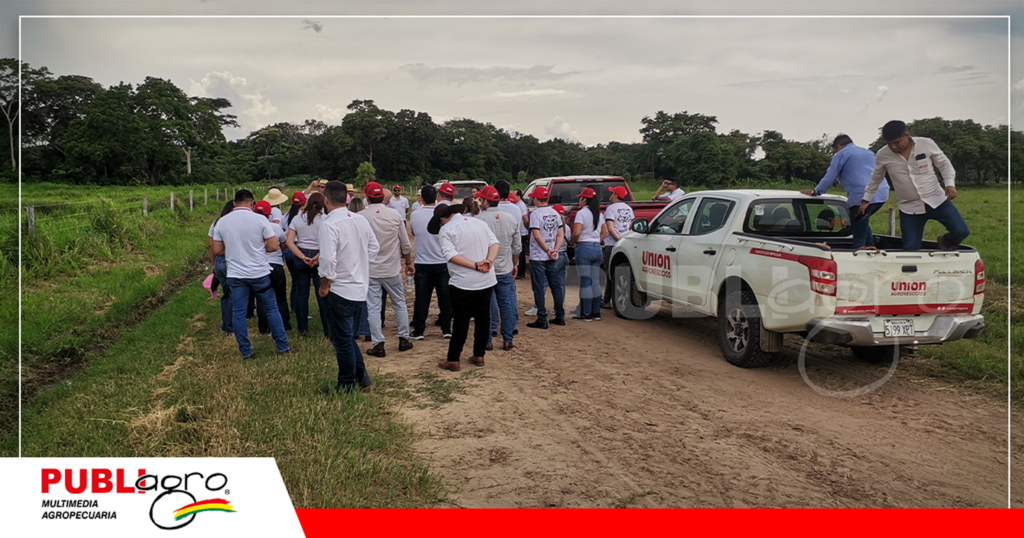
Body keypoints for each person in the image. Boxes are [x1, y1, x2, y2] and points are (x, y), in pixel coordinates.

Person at [211, 190, 296, 359]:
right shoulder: (260, 220)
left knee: (239, 312)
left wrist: (235, 250)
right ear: (252, 203)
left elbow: (217, 249)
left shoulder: (222, 222)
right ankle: (282, 346)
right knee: (272, 308)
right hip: (258, 272)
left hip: (235, 274)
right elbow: (273, 246)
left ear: (234, 203)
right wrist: (256, 249)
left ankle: (246, 351)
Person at [860, 120, 969, 251]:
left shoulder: (926, 144)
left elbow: (944, 164)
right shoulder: (883, 155)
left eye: (897, 142)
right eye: (889, 144)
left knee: (961, 231)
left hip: (936, 200)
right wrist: (866, 200)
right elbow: (876, 178)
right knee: (910, 249)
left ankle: (945, 241)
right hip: (909, 208)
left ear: (907, 135)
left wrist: (950, 185)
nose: (894, 147)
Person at [318, 181, 379, 393]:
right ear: (346, 198)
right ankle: (362, 378)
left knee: (341, 341)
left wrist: (324, 285)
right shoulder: (360, 220)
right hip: (359, 287)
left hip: (339, 289)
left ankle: (346, 384)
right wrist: (359, 264)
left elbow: (327, 260)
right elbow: (374, 247)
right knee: (345, 337)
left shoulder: (329, 224)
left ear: (326, 199)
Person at [430, 204, 499, 371]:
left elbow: (451, 256)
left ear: (442, 219)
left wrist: (475, 265)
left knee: (461, 319)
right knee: (483, 317)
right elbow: (495, 244)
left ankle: (454, 359)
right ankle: (479, 354)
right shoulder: (480, 222)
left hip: (463, 281)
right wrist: (488, 261)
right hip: (486, 279)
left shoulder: (446, 229)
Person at [799, 134, 890, 249]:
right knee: (862, 221)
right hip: (882, 193)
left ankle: (860, 254)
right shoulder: (868, 152)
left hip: (861, 195)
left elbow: (830, 175)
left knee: (858, 236)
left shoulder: (842, 154)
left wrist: (816, 192)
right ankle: (871, 246)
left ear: (839, 146)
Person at [361, 182, 415, 357]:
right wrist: (409, 263)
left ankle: (378, 343)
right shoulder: (394, 214)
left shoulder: (361, 217)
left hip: (371, 269)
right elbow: (405, 244)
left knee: (374, 307)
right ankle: (403, 339)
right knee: (399, 302)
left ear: (367, 198)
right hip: (391, 267)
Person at [475, 186, 521, 351]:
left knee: (486, 305)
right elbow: (517, 247)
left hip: (486, 267)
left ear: (486, 201)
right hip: (505, 266)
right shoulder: (510, 218)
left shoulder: (479, 220)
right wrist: (514, 264)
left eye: (482, 199)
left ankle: (487, 340)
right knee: (505, 303)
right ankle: (508, 339)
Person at [408, 186, 452, 340]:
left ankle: (419, 330)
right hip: (442, 261)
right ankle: (447, 329)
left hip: (422, 261)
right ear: (437, 196)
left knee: (421, 298)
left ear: (421, 198)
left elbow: (413, 232)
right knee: (445, 297)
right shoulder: (445, 214)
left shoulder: (415, 214)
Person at [286, 192, 329, 338]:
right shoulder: (325, 219)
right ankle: (327, 328)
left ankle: (302, 328)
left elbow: (289, 242)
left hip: (301, 256)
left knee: (301, 294)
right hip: (319, 257)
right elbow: (329, 242)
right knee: (322, 293)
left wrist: (303, 257)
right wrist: (317, 256)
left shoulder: (297, 218)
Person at [525, 187, 565, 329]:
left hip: (539, 255)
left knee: (539, 287)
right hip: (553, 254)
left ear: (536, 199)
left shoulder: (536, 214)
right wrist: (555, 249)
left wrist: (547, 250)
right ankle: (560, 315)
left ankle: (542, 318)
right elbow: (561, 234)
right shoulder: (555, 212)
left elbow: (536, 235)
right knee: (555, 285)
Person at [255, 201, 293, 332]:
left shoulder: (253, 227)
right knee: (280, 297)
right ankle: (285, 325)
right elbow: (284, 243)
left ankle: (264, 328)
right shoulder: (276, 228)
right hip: (276, 265)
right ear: (269, 214)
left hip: (260, 265)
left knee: (261, 299)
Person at [569, 188, 603, 321]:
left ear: (585, 199)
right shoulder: (599, 214)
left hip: (584, 247)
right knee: (595, 282)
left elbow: (577, 232)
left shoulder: (581, 213)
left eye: (581, 198)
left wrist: (573, 242)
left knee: (585, 283)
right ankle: (596, 312)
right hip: (596, 247)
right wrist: (595, 240)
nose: (579, 200)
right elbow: (604, 232)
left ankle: (586, 313)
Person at [494, 180, 523, 331]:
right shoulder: (516, 209)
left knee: (492, 293)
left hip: (492, 254)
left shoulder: (491, 209)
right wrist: (515, 263)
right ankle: (513, 322)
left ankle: (493, 326)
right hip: (510, 251)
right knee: (509, 292)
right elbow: (517, 236)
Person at [602, 186, 634, 308]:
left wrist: (619, 241)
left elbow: (610, 228)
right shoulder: (629, 209)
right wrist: (624, 241)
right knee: (621, 273)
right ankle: (618, 299)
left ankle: (607, 299)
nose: (610, 194)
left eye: (612, 193)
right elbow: (631, 226)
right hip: (626, 244)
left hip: (612, 244)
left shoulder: (611, 208)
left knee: (609, 272)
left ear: (615, 195)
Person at [208, 200, 235, 334]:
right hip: (231, 261)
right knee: (233, 294)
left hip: (219, 261)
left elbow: (211, 246)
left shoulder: (215, 223)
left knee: (226, 294)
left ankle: (226, 323)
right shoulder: (234, 223)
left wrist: (213, 265)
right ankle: (229, 326)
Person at [283, 191, 306, 314]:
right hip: (299, 248)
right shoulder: (304, 217)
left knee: (294, 279)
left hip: (288, 249)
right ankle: (298, 307)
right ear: (304, 203)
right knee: (301, 281)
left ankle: (293, 305)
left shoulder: (285, 217)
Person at [513, 189, 529, 278]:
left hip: (522, 232)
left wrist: (527, 228)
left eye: (514, 195)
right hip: (521, 231)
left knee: (521, 253)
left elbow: (525, 218)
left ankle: (521, 272)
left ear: (518, 196)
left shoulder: (521, 206)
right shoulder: (518, 205)